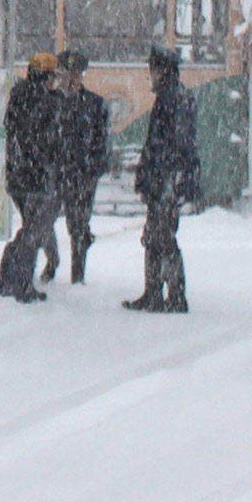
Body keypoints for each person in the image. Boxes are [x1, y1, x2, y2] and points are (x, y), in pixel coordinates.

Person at [125, 45, 197, 313]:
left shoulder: (170, 99)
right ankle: (156, 292)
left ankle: (171, 295)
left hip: (165, 179)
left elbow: (167, 145)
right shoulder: (177, 96)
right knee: (157, 236)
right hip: (167, 178)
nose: (151, 75)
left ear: (161, 71)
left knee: (162, 238)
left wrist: (157, 176)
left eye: (153, 70)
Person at [0, 53, 67, 302]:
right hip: (36, 179)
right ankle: (20, 283)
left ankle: (8, 280)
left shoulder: (19, 96)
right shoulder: (44, 101)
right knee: (33, 232)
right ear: (45, 76)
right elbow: (47, 141)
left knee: (30, 229)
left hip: (19, 177)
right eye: (53, 77)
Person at [59, 62, 114, 286]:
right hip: (56, 172)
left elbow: (103, 142)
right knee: (41, 223)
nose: (70, 81)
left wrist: (93, 170)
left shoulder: (94, 104)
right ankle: (51, 263)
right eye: (66, 76)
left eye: (75, 76)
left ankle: (77, 273)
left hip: (82, 174)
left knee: (77, 223)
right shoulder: (53, 101)